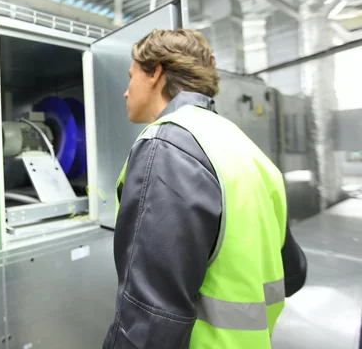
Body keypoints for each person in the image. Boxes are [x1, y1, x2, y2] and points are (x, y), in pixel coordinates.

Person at [102, 29, 307, 349]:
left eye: (131, 77)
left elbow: (151, 320)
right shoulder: (246, 148)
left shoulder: (166, 145)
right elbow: (293, 272)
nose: (126, 92)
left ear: (155, 72)